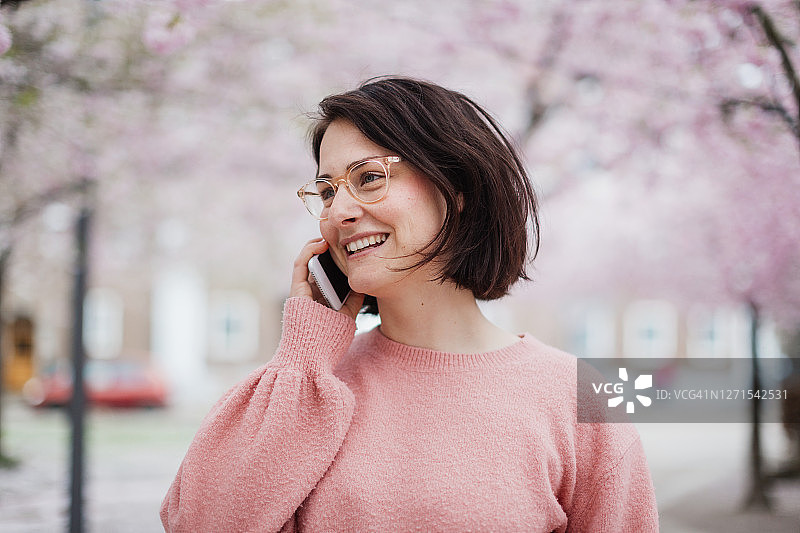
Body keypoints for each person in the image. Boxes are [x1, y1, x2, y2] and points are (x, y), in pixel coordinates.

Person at [160, 77, 659, 532]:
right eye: (327, 190)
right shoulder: (306, 390)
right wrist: (304, 355)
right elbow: (199, 523)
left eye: (369, 177)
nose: (340, 212)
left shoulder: (579, 399)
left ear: (457, 188)